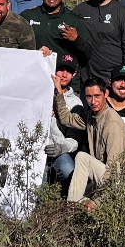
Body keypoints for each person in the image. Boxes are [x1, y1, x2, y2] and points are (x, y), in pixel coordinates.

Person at [52, 77, 125, 203]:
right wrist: (59, 93)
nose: (93, 101)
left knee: (82, 157)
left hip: (118, 182)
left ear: (106, 94)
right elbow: (66, 119)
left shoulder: (112, 123)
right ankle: (74, 208)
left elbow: (114, 170)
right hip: (101, 177)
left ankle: (71, 209)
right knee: (81, 197)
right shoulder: (91, 116)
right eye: (89, 96)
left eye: (97, 96)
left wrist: (96, 202)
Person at [22, 0, 93, 70]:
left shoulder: (73, 20)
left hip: (64, 77)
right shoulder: (28, 16)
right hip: (37, 73)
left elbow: (88, 53)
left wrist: (77, 40)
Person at [43, 54, 82, 184]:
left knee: (68, 170)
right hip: (35, 149)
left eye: (69, 71)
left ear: (74, 74)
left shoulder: (76, 102)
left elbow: (75, 140)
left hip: (59, 153)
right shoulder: (40, 91)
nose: (64, 74)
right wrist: (40, 54)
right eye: (61, 69)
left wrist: (61, 148)